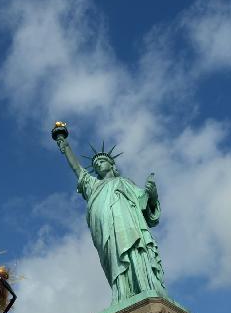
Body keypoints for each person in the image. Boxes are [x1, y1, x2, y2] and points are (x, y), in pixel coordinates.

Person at [51, 122, 168, 303]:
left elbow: (146, 205)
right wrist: (63, 144)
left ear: (112, 164)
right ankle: (122, 294)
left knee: (135, 251)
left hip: (129, 226)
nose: (98, 164)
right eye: (95, 163)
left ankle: (145, 287)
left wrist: (152, 194)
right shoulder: (93, 185)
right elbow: (76, 168)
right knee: (115, 258)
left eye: (102, 161)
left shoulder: (124, 182)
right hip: (106, 230)